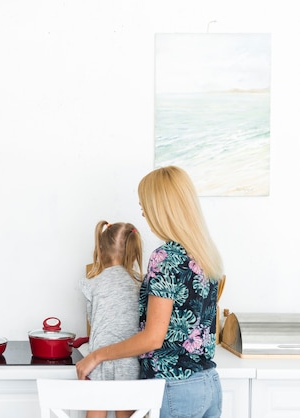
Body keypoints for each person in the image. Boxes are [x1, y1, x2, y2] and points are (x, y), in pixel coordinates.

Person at [76, 166, 224, 418]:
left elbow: (153, 338)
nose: (143, 213)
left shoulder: (165, 258)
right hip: (208, 384)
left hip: (174, 388)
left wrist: (96, 355)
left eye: (145, 205)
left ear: (162, 208)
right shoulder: (205, 254)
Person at [80, 220, 144, 418]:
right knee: (125, 413)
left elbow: (92, 319)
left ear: (100, 249)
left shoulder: (91, 283)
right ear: (133, 253)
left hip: (97, 360)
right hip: (129, 360)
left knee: (96, 409)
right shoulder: (141, 283)